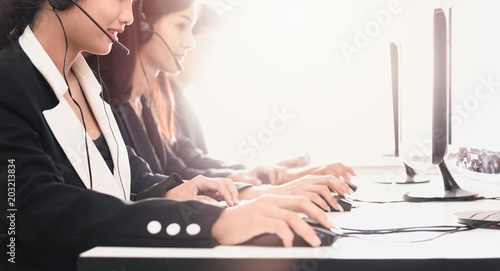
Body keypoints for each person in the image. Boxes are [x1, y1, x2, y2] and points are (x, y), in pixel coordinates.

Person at [0, 1, 343, 270]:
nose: (129, 16)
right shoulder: (9, 82)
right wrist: (211, 222)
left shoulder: (89, 83)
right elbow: (34, 208)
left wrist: (172, 192)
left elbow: (128, 178)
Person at [89, 0, 353, 211]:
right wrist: (262, 190)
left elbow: (176, 167)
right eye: (182, 27)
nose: (189, 43)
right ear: (143, 26)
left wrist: (251, 178)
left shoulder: (144, 102)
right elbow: (142, 181)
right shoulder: (103, 98)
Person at [169, 3, 357, 185]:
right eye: (206, 47)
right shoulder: (163, 103)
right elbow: (181, 170)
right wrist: (263, 176)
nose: (211, 59)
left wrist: (265, 172)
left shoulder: (182, 103)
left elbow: (196, 164)